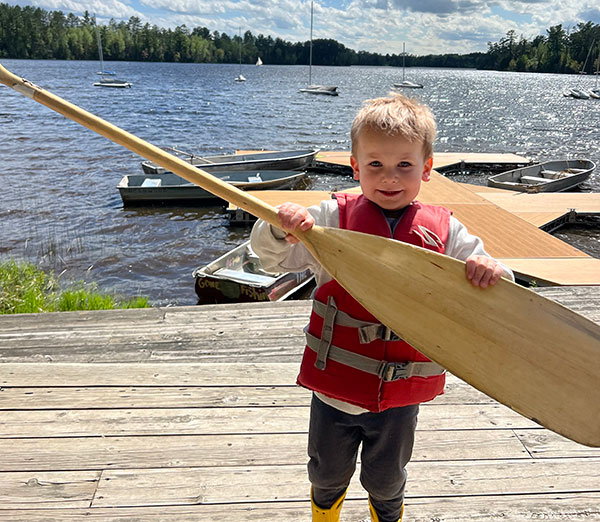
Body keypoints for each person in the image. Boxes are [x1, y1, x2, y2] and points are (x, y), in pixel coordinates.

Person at [250, 93, 514, 522]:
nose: (389, 178)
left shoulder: (448, 232)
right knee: (327, 474)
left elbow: (501, 288)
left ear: (426, 169)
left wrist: (490, 269)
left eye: (404, 166)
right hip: (334, 392)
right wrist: (281, 227)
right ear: (355, 166)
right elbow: (273, 258)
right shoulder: (331, 219)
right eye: (374, 165)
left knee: (387, 481)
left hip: (398, 402)